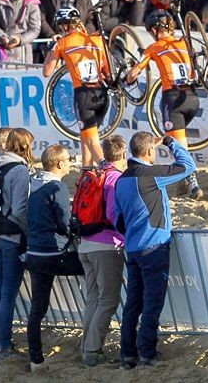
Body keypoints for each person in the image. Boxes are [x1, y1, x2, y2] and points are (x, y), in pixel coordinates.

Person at [114, 130, 197, 369]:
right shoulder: (149, 175)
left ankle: (127, 354)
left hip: (133, 247)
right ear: (150, 151)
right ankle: (147, 353)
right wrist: (171, 142)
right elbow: (187, 166)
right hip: (154, 246)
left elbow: (118, 218)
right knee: (152, 303)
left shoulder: (122, 178)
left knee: (133, 304)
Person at [124, 8, 203, 197]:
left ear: (153, 30)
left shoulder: (154, 47)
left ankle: (192, 183)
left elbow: (133, 74)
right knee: (180, 137)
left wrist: (128, 77)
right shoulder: (185, 42)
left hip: (173, 100)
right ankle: (184, 182)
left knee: (178, 142)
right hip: (193, 97)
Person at [24, 144, 76, 371]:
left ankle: (36, 359)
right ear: (60, 163)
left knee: (37, 308)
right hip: (52, 253)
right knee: (94, 267)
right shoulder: (57, 187)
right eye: (69, 159)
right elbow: (65, 222)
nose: (71, 162)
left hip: (34, 253)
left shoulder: (34, 185)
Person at [0, 128, 34, 362]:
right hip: (11, 237)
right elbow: (20, 208)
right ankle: (5, 346)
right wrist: (27, 232)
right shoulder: (19, 170)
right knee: (7, 294)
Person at [77, 135, 126, 368]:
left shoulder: (95, 174)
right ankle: (92, 351)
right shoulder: (115, 178)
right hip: (106, 245)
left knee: (93, 299)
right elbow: (113, 215)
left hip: (85, 242)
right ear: (124, 154)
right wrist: (129, 236)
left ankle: (86, 347)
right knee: (108, 300)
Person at [42, 6, 112, 169]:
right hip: (102, 93)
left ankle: (106, 168)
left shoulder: (62, 43)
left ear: (65, 25)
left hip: (83, 96)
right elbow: (108, 71)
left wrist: (51, 48)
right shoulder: (96, 40)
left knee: (91, 139)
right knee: (87, 133)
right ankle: (86, 170)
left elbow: (47, 71)